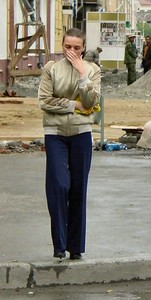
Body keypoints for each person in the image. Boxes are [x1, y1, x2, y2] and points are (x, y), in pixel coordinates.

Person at [38, 28, 101, 260]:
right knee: (59, 186)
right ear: (62, 46)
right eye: (67, 47)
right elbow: (44, 101)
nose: (71, 52)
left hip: (81, 133)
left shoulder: (92, 70)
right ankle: (59, 244)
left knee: (78, 189)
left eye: (76, 47)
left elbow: (91, 101)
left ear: (83, 48)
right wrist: (73, 106)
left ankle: (75, 247)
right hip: (54, 133)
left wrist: (83, 75)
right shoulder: (51, 69)